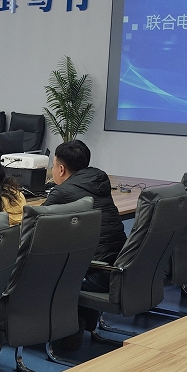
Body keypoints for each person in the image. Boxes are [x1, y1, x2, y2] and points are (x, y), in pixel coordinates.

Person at [44, 140, 127, 348]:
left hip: (99, 274)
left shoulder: (62, 193)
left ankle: (69, 327)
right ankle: (80, 323)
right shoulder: (99, 183)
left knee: (37, 269)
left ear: (61, 169)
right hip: (121, 266)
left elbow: (34, 224)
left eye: (53, 166)